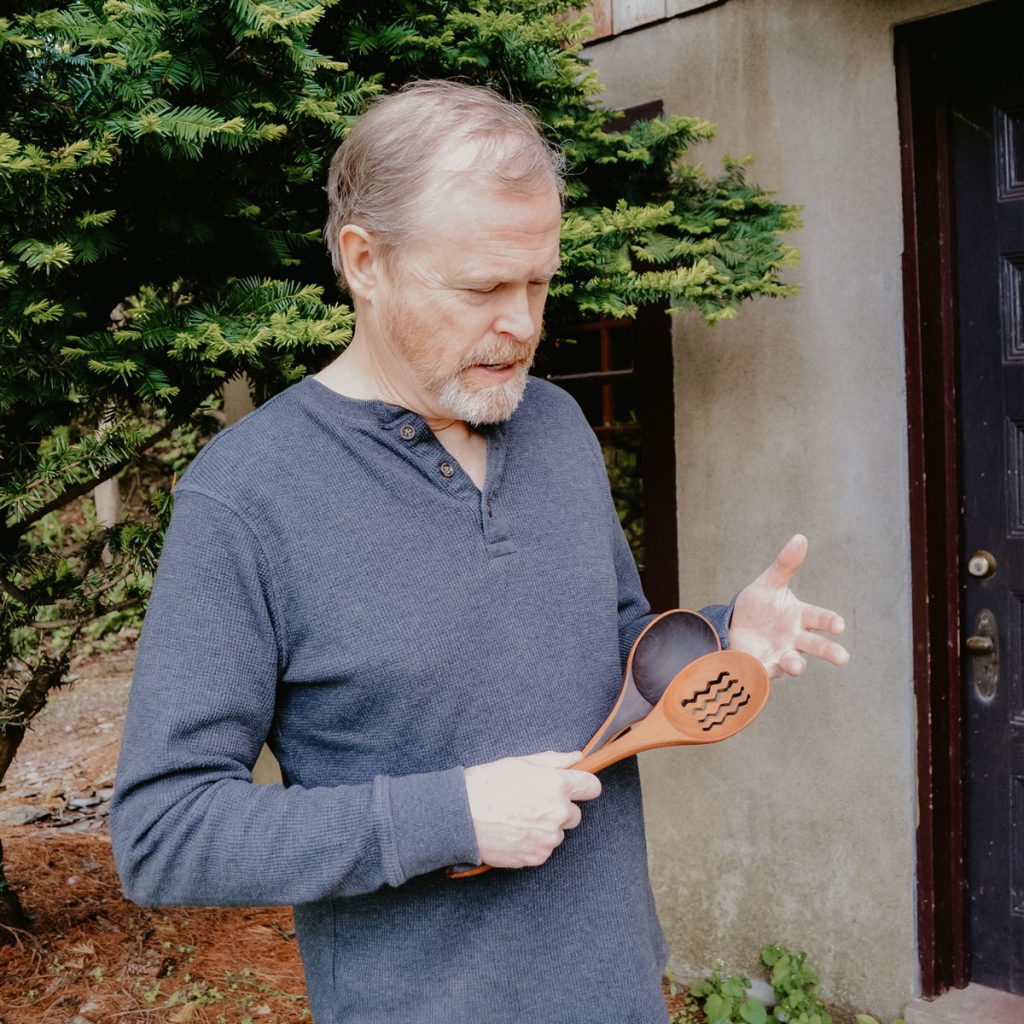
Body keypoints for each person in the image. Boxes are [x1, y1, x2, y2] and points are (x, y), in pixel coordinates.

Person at [110, 80, 848, 1024]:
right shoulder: (247, 495)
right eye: (482, 289)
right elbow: (165, 832)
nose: (525, 324)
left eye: (538, 282)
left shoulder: (558, 425)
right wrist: (449, 819)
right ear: (365, 262)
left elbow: (612, 657)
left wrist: (721, 635)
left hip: (619, 991)